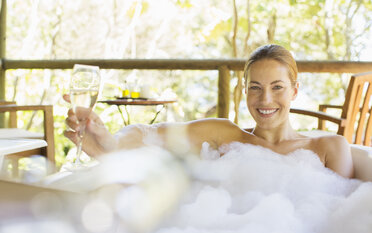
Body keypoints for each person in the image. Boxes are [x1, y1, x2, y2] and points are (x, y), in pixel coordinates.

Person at [64, 44, 354, 178]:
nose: (265, 99)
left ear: (294, 91)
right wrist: (108, 144)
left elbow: (338, 216)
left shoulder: (328, 147)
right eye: (255, 87)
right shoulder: (224, 135)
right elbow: (149, 134)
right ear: (244, 90)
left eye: (277, 87)